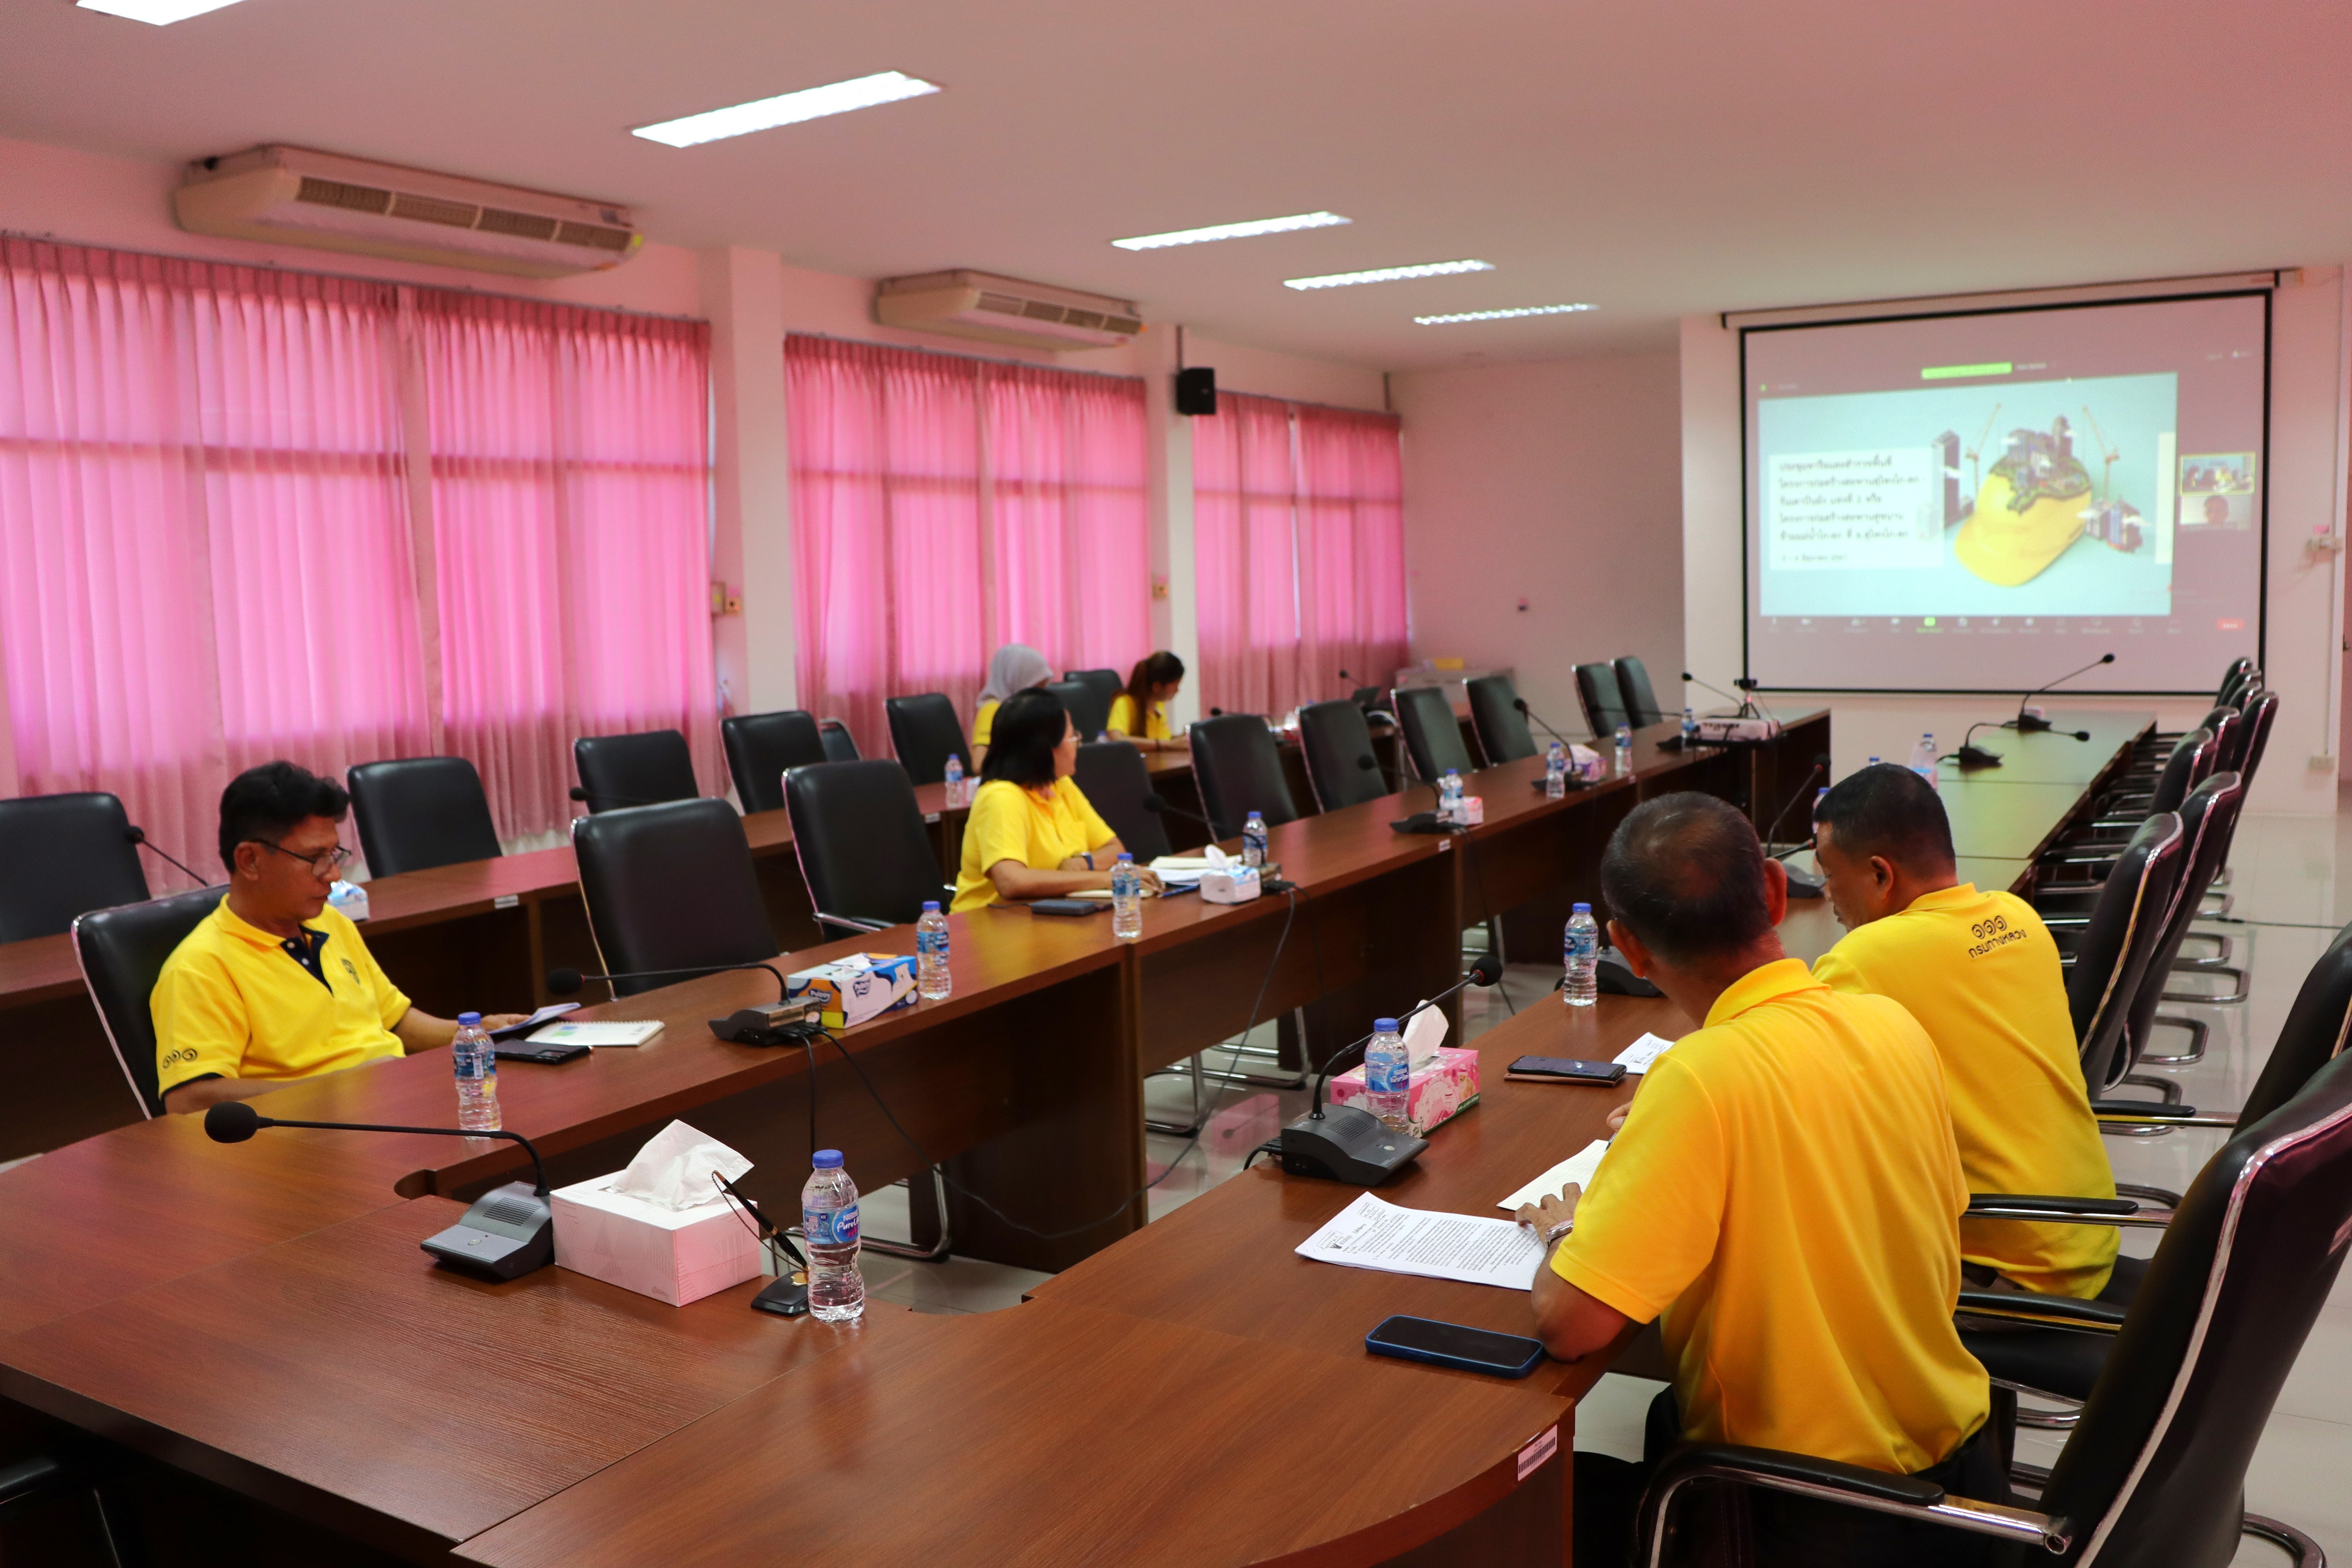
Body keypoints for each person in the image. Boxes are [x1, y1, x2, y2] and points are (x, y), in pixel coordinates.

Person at [1515, 793, 2001, 1566]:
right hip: (1951, 1488)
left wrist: (1567, 1232)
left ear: (1627, 948)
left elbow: (1571, 1327)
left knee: (1527, 1518)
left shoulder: (1701, 1079)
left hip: (1790, 1513)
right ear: (1775, 891)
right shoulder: (1893, 1023)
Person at [1809, 763, 2119, 1300]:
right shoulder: (2020, 917)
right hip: (2087, 1236)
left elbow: (1781, 1088)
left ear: (1881, 875)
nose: (1828, 894)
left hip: (2005, 1278)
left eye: (1830, 876)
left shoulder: (1862, 959)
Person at [153, 762, 526, 1114]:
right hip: (315, 1137)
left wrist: (479, 1032)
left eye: (334, 854)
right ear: (250, 860)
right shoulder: (200, 967)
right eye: (315, 857)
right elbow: (189, 1099)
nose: (333, 875)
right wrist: (341, 1087)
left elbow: (396, 1021)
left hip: (393, 1109)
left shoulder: (330, 922)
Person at [950, 688, 1163, 913]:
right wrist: (1107, 879)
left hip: (1048, 913)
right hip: (988, 921)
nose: (1077, 744)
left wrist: (1083, 864)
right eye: (1072, 737)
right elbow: (1012, 882)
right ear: (1046, 749)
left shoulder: (1060, 785)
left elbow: (1114, 849)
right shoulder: (1002, 797)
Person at [971, 643, 1054, 764]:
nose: (1041, 694)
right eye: (1037, 686)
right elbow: (979, 764)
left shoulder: (1029, 711)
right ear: (1015, 680)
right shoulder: (992, 710)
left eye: (1044, 687)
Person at [1106, 651, 1188, 753]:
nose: (1177, 691)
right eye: (1175, 686)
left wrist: (1180, 740)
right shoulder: (1125, 703)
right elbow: (1116, 740)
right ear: (1157, 687)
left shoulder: (1158, 705)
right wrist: (1167, 744)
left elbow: (1162, 739)